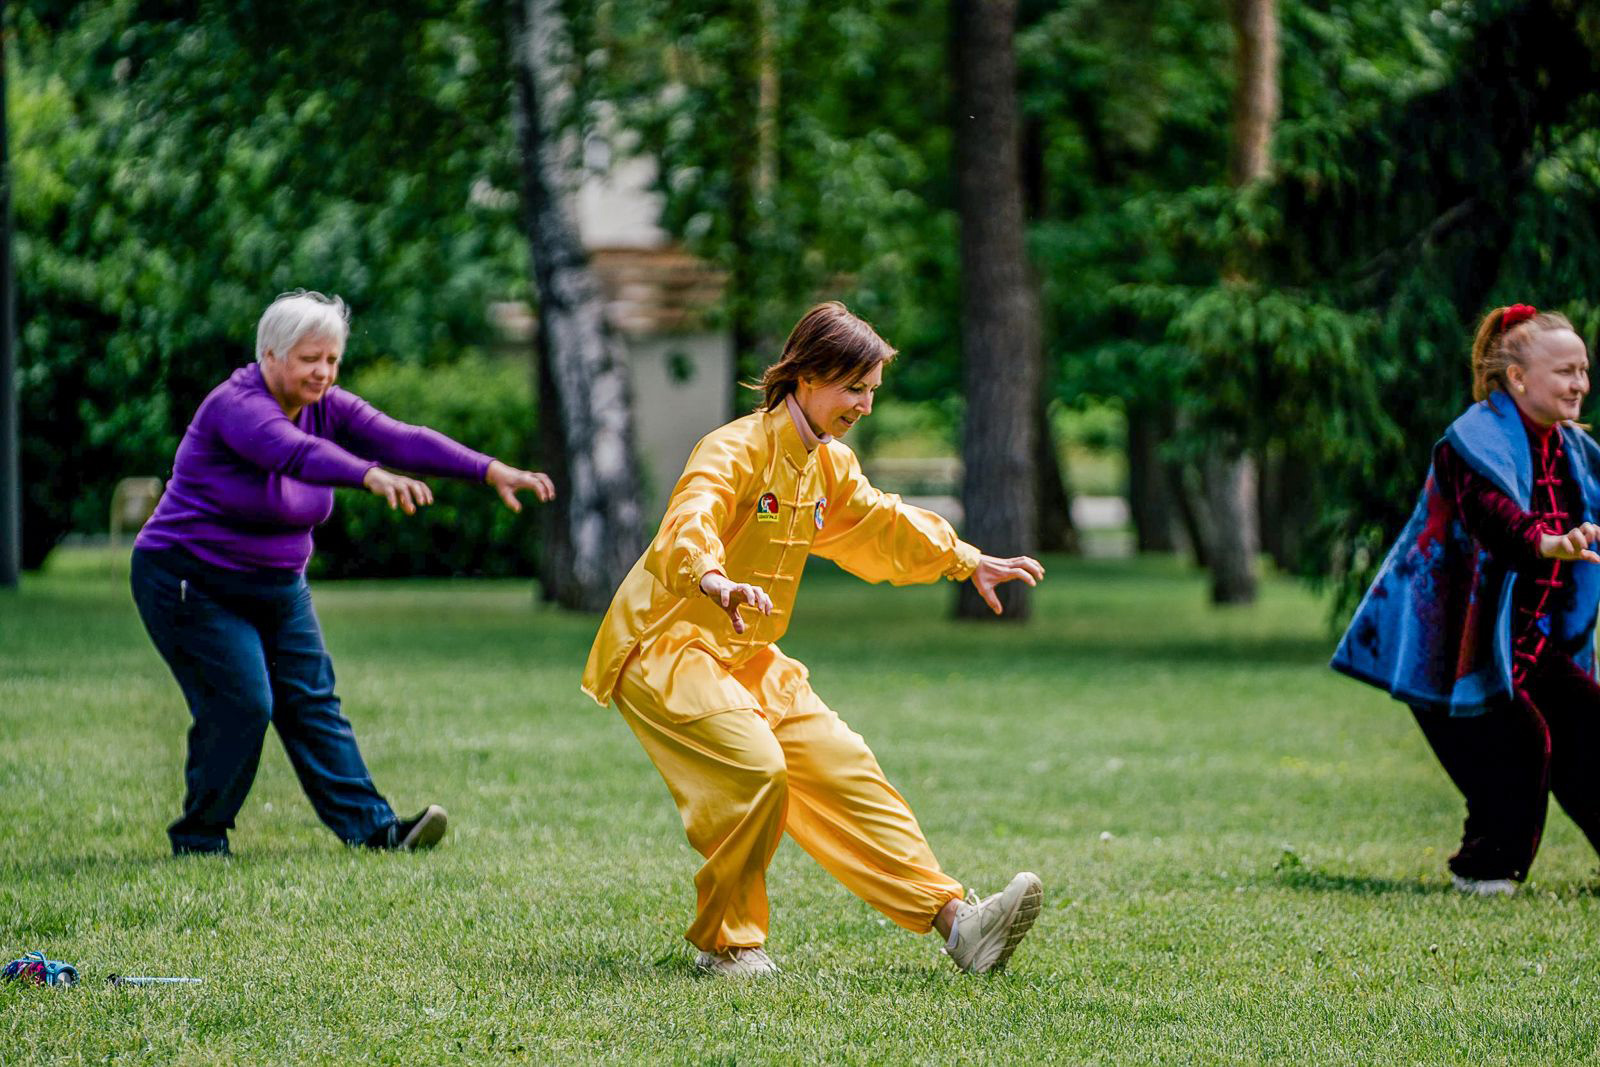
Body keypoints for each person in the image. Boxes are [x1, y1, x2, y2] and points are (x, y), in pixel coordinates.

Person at [581, 302, 1046, 976]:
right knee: (756, 768)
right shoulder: (735, 446)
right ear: (805, 376)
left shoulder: (828, 464)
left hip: (745, 653)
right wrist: (713, 578)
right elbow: (693, 514)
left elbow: (879, 522)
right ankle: (727, 945)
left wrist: (965, 559)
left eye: (871, 391)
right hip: (666, 647)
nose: (864, 405)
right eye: (853, 387)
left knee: (842, 763)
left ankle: (960, 925)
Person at [131, 290, 555, 856]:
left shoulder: (327, 405)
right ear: (270, 355)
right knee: (243, 702)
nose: (324, 372)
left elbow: (401, 437)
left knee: (312, 701)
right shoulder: (236, 406)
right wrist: (370, 476)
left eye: (332, 359)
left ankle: (376, 829)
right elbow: (294, 453)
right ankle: (200, 835)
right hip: (190, 581)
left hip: (278, 585)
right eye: (310, 359)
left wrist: (489, 469)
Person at [1332, 303, 1600, 895]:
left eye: (1583, 370)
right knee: (1518, 744)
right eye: (1565, 371)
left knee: (1588, 727)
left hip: (1524, 642)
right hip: (1451, 645)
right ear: (1518, 378)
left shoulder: (1574, 452)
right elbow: (1493, 516)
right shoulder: (1471, 442)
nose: (1579, 383)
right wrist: (1545, 542)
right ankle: (1484, 872)